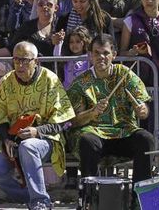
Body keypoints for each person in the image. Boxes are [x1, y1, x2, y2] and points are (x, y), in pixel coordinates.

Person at [0, 41, 75, 210]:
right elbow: (0, 118)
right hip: (13, 140)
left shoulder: (50, 79)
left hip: (46, 139)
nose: (20, 65)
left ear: (36, 61)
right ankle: (31, 196)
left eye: (25, 60)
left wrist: (37, 131)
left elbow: (62, 119)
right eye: (16, 59)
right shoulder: (6, 81)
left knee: (28, 146)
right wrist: (5, 140)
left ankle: (40, 202)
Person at [66, 34, 154, 185]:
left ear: (114, 55)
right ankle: (90, 196)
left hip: (123, 132)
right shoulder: (80, 83)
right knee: (87, 141)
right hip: (94, 134)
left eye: (105, 53)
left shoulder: (125, 75)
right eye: (96, 53)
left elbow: (144, 108)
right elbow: (73, 121)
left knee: (145, 139)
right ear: (90, 56)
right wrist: (92, 112)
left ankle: (138, 197)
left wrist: (142, 110)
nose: (101, 57)